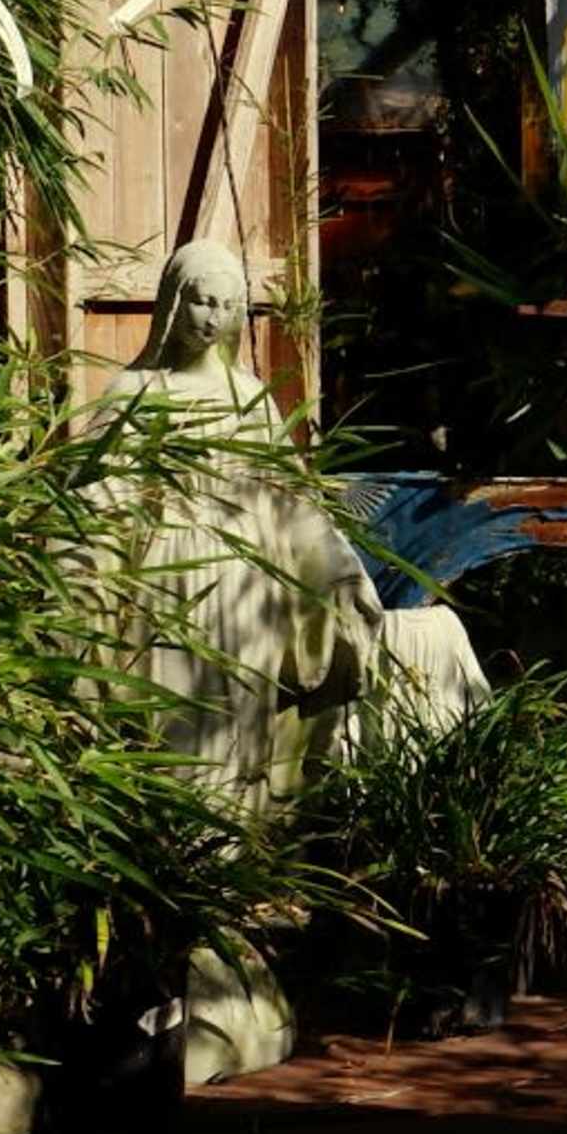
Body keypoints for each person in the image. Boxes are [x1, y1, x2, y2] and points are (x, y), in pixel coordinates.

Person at [83, 240, 376, 806]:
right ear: (172, 303)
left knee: (240, 727)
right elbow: (102, 493)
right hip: (167, 579)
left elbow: (287, 500)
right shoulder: (136, 393)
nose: (212, 318)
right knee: (171, 717)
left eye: (225, 304)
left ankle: (232, 860)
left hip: (245, 587)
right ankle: (166, 850)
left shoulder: (249, 399)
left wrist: (336, 569)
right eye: (200, 302)